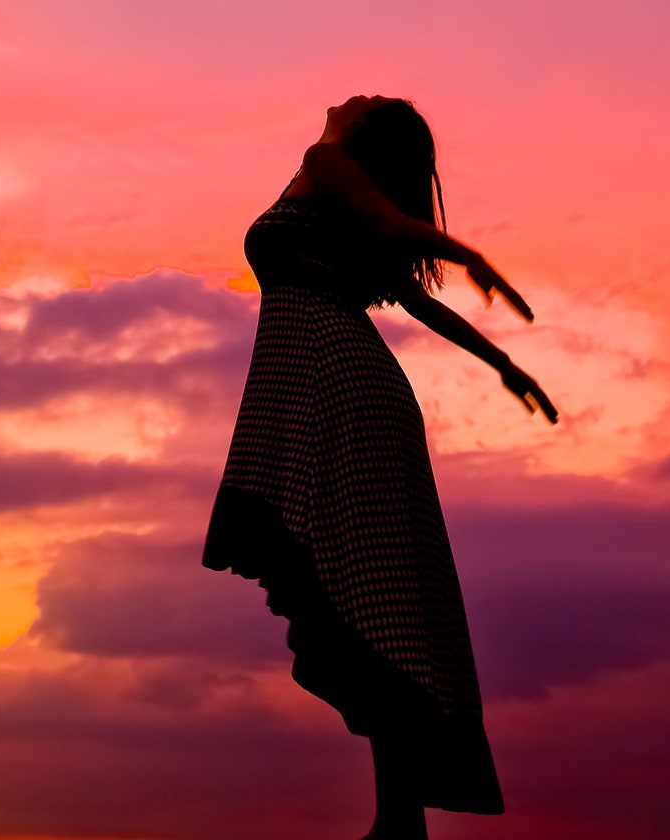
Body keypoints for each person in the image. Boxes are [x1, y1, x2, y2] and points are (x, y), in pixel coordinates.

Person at [202, 94, 557, 840]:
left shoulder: (326, 163)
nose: (355, 94)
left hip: (343, 387)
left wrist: (468, 259)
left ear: (359, 131)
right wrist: (503, 365)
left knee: (376, 605)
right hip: (345, 387)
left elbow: (401, 240)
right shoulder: (333, 193)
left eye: (368, 101)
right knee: (373, 609)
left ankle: (400, 824)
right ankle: (399, 823)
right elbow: (414, 298)